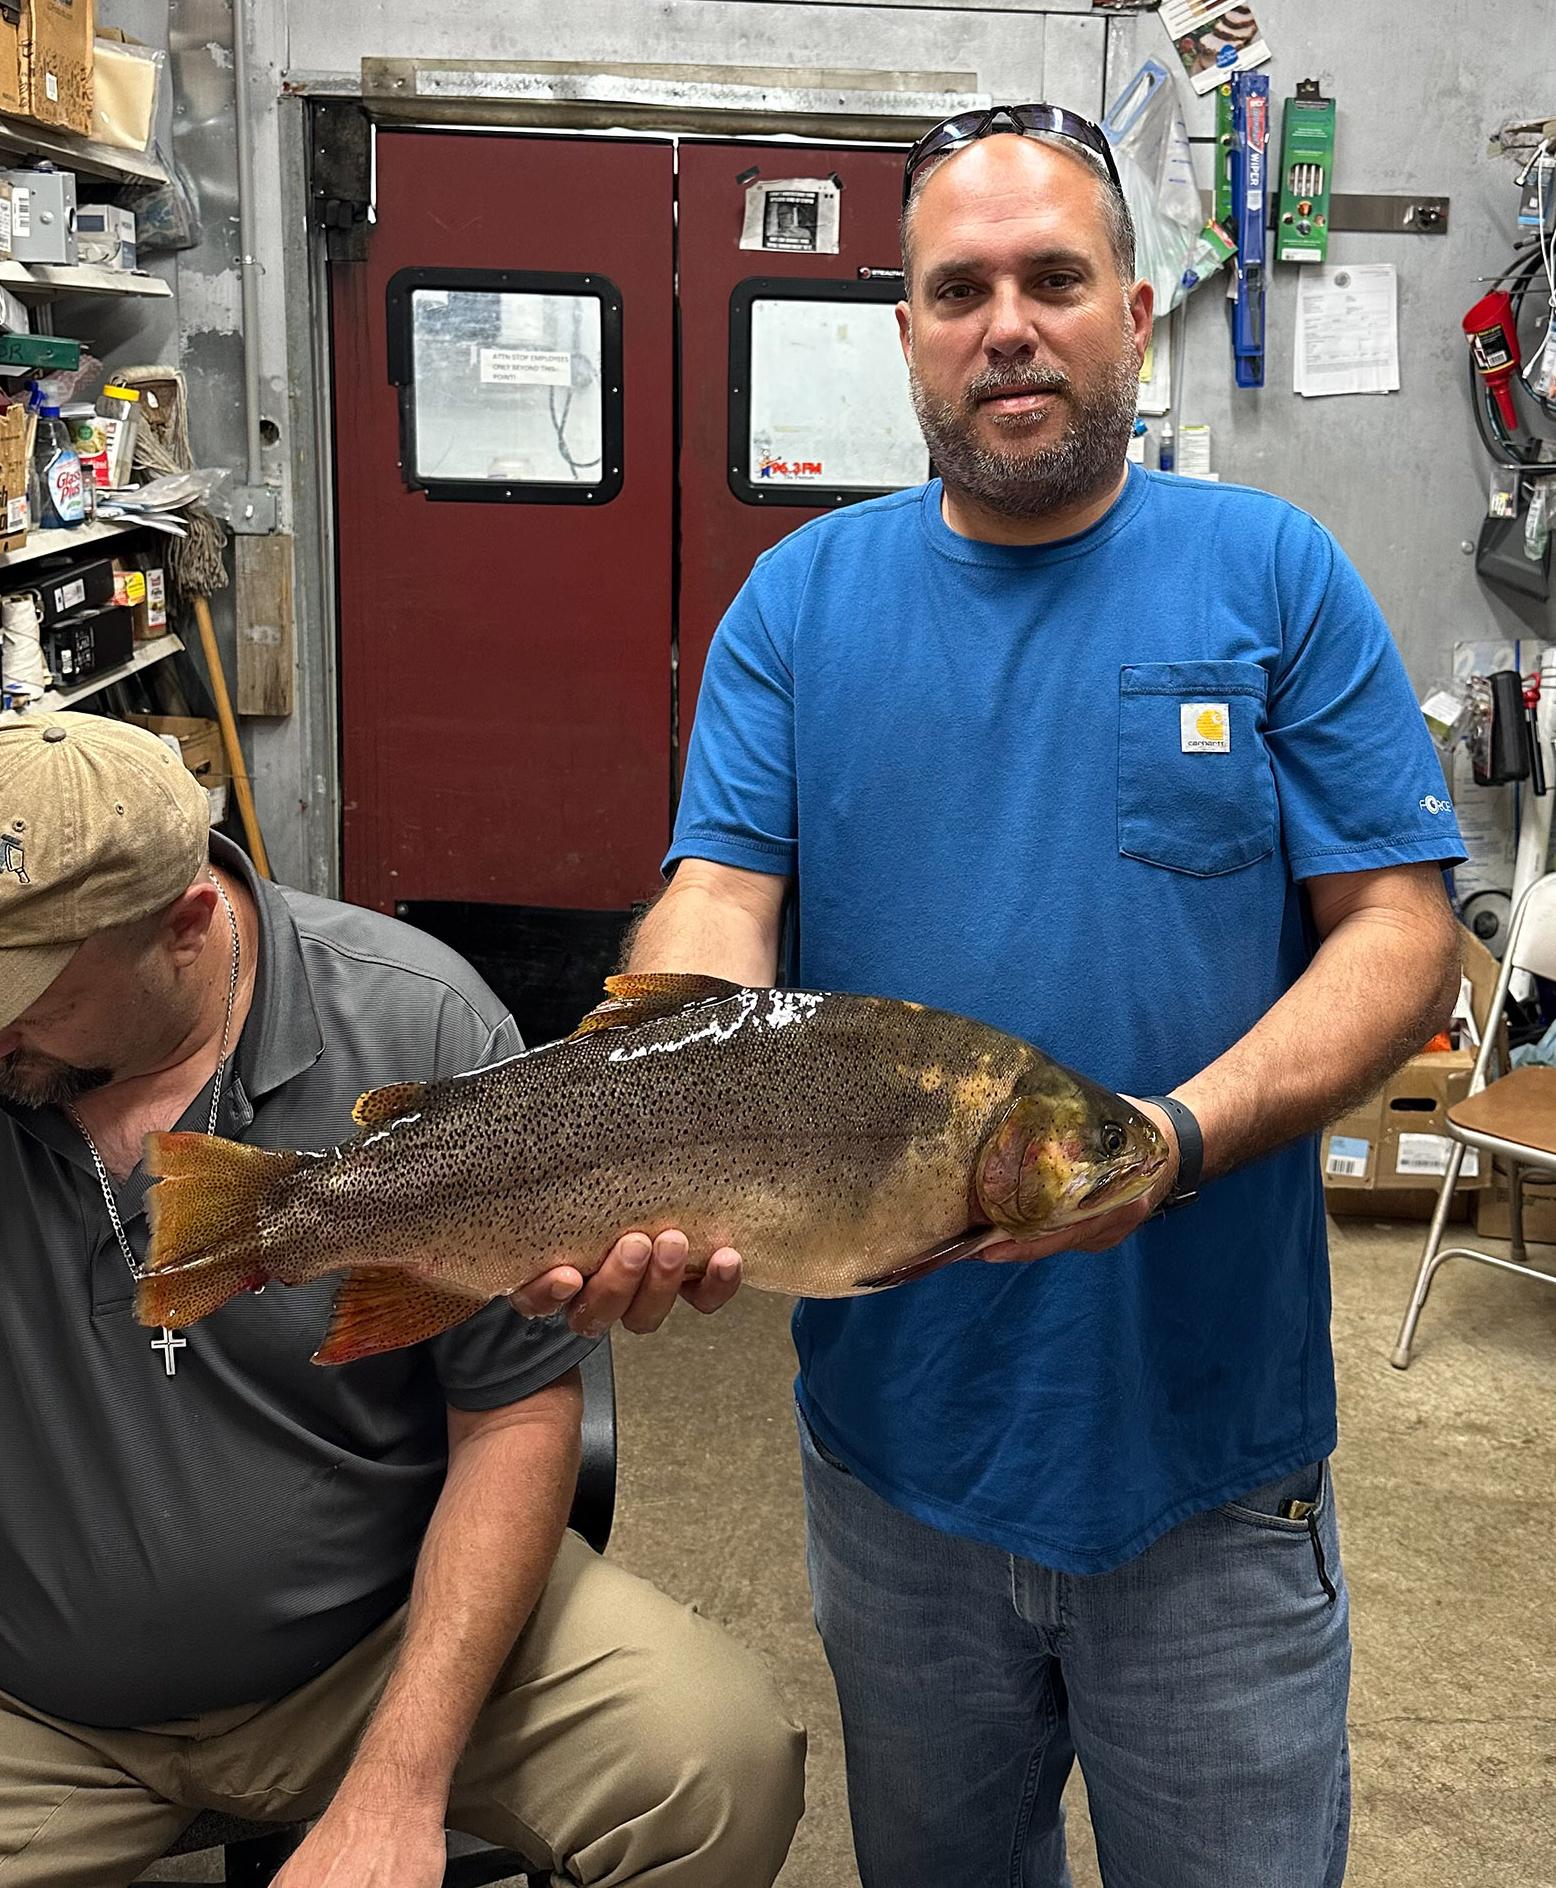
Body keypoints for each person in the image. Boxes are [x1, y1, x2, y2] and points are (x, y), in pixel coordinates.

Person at [518, 104, 1472, 1885]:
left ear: (1133, 301)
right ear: (907, 333)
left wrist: (1175, 1140)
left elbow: (1400, 931)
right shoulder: (799, 602)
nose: (1006, 325)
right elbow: (723, 891)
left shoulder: (1273, 575)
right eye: (959, 290)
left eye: (1053, 278)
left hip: (1209, 1454)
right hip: (901, 1449)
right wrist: (655, 1104)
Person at [0, 713, 804, 1888]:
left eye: (31, 995)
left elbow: (509, 1416)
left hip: (375, 1648)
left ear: (186, 925)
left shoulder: (416, 1023)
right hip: (14, 1700)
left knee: (710, 1760)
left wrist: (398, 1783)